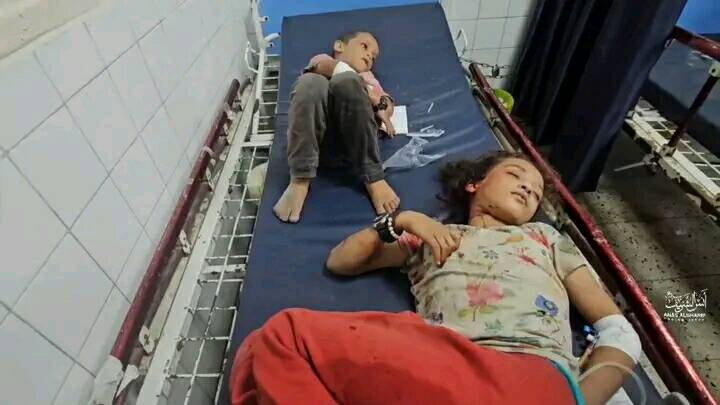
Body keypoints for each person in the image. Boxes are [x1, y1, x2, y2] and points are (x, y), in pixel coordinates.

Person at [232, 151, 641, 405]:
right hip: (444, 367)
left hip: (530, 374)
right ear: (474, 184)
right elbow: (341, 262)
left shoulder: (544, 238)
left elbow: (619, 333)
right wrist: (400, 220)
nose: (527, 189)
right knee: (270, 345)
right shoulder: (430, 237)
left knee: (279, 344)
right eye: (516, 174)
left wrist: (580, 397)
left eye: (535, 193)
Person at [273, 30, 401, 223]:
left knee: (348, 83)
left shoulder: (369, 78)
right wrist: (368, 92)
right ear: (339, 46)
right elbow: (325, 67)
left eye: (373, 57)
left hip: (355, 147)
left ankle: (373, 177)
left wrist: (382, 107)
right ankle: (300, 179)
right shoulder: (322, 60)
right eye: (364, 46)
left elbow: (386, 101)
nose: (369, 55)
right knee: (311, 82)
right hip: (316, 145)